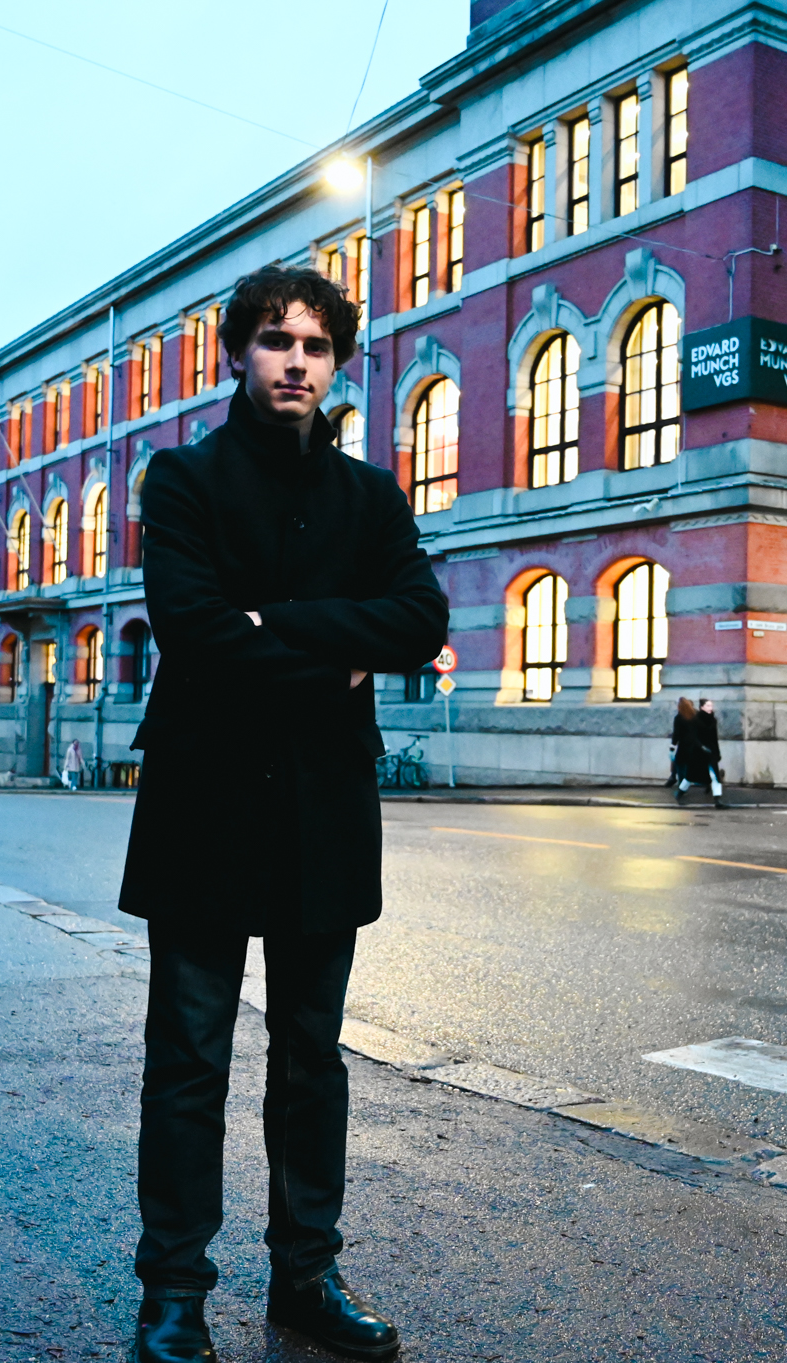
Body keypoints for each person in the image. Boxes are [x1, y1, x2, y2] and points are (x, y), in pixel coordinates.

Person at [117, 263, 448, 1363]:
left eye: (313, 343)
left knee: (313, 1061)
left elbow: (417, 620)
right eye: (273, 341)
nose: (294, 360)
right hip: (203, 802)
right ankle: (172, 1293)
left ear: (336, 361)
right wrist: (336, 654)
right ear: (238, 355)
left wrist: (285, 622)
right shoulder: (182, 480)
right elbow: (196, 631)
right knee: (188, 1060)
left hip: (321, 810)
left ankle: (306, 1276)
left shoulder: (371, 497)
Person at [670, 698, 724, 808]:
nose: (710, 708)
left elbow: (714, 738)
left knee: (715, 776)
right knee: (691, 776)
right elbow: (694, 736)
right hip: (698, 752)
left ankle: (717, 800)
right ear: (702, 707)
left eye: (711, 706)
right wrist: (701, 746)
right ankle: (679, 793)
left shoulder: (713, 720)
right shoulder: (696, 719)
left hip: (711, 751)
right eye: (708, 706)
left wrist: (717, 752)